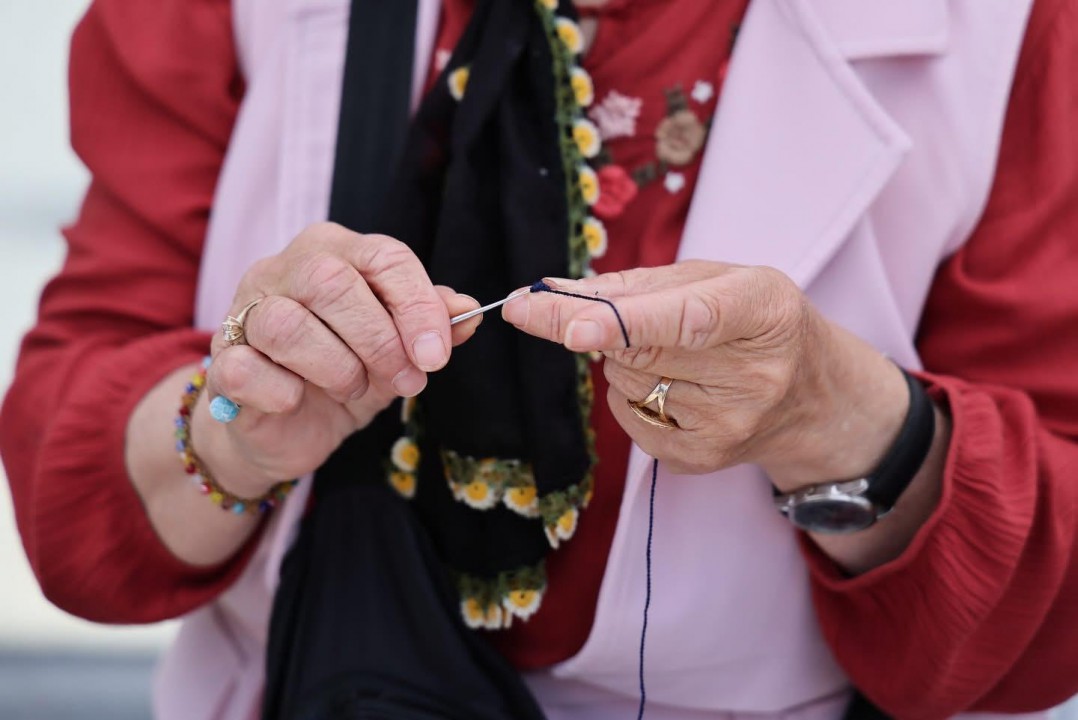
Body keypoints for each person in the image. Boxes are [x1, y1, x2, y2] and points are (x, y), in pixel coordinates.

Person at [1, 0, 1077, 717]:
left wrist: (837, 421)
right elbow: (74, 504)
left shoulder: (1019, 28)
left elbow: (1049, 626)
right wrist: (235, 424)